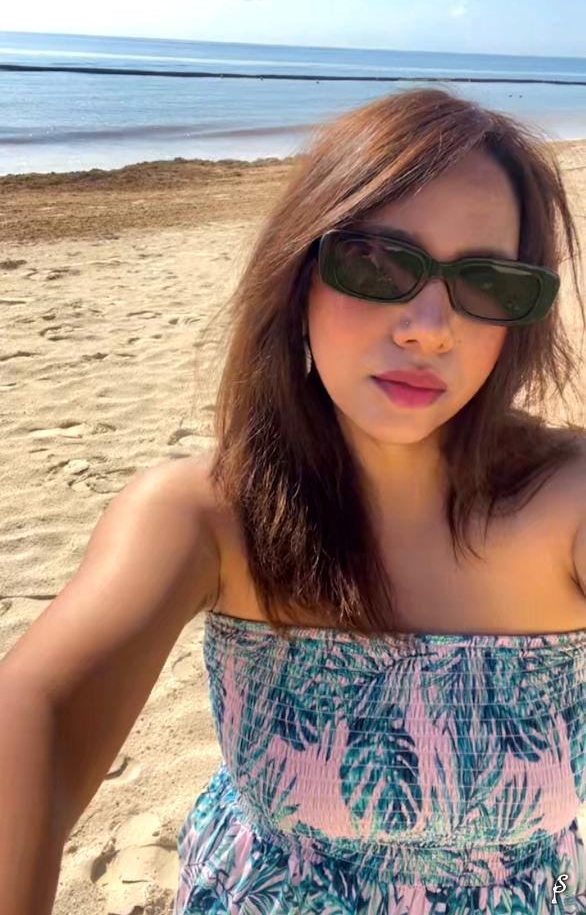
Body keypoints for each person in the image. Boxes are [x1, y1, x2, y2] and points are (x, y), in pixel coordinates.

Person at [0, 88, 585, 915]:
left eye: (486, 282)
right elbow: (41, 710)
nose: (429, 326)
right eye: (377, 263)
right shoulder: (210, 512)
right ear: (298, 273)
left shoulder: (567, 502)